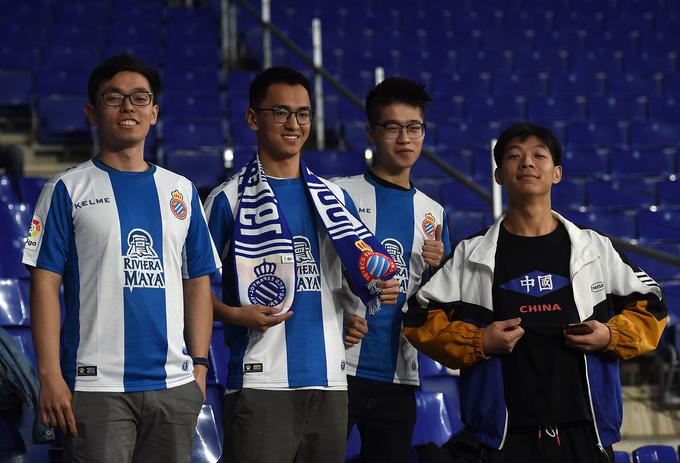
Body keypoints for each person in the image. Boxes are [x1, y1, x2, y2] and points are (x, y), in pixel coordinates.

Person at [403, 123, 668, 463]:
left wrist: (610, 336)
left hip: (585, 433)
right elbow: (418, 319)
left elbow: (654, 309)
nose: (527, 163)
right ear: (499, 174)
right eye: (514, 156)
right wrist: (478, 342)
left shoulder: (595, 249)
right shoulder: (472, 254)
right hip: (502, 440)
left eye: (538, 156)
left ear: (556, 173)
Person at [22, 54, 220, 462]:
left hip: (174, 387)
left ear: (154, 113)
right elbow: (44, 285)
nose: (128, 106)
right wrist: (50, 376)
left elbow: (197, 281)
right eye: (114, 97)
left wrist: (199, 368)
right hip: (96, 389)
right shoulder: (66, 189)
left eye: (139, 98)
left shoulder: (181, 190)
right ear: (92, 113)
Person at [203, 66, 399, 463]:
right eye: (280, 113)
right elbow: (189, 290)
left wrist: (365, 295)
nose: (294, 124)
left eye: (303, 113)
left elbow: (346, 277)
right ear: (253, 119)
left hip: (330, 381)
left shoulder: (334, 200)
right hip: (261, 382)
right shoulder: (228, 201)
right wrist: (237, 315)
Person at [333, 77, 451, 462]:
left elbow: (434, 300)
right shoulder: (339, 195)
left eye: (414, 127)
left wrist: (438, 271)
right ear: (371, 132)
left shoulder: (434, 213)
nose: (405, 138)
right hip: (338, 368)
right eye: (392, 127)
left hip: (401, 373)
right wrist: (339, 318)